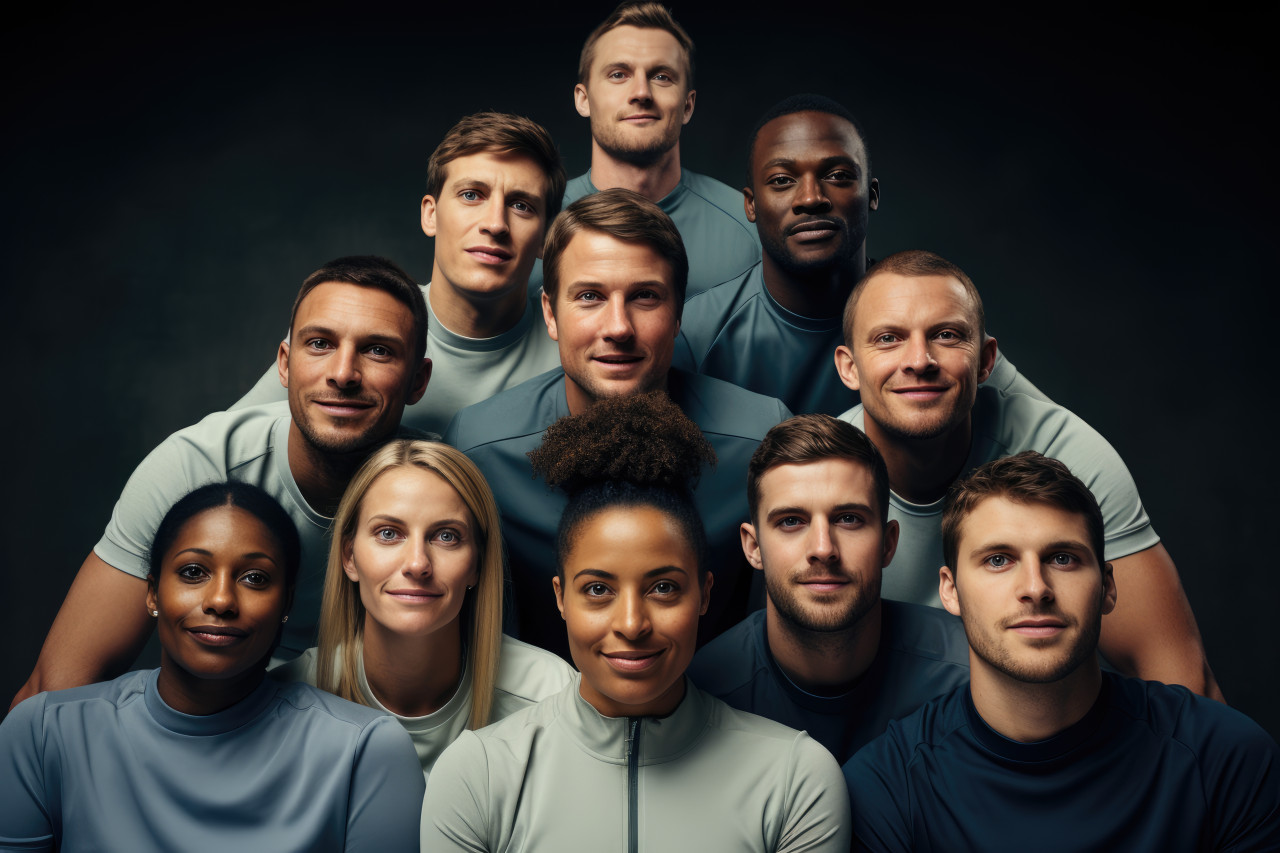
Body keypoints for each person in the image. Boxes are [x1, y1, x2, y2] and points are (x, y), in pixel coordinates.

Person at [422, 394, 849, 852]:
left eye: (663, 588)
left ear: (704, 594)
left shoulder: (796, 779)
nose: (631, 624)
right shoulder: (477, 774)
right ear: (560, 598)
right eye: (598, 590)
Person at [12, 256, 430, 709]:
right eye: (320, 343)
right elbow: (53, 691)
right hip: (216, 720)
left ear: (417, 382)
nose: (344, 373)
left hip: (368, 725)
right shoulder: (197, 467)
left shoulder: (440, 487)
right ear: (284, 366)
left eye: (378, 351)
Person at [843, 453, 1280, 852]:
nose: (1035, 588)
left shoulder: (1225, 759)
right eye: (998, 560)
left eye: (1063, 559)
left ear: (1108, 588)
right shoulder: (888, 786)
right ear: (951, 590)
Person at [834, 248, 1220, 697]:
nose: (919, 360)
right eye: (888, 339)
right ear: (849, 367)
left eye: (945, 335)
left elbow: (1182, 683)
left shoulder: (1065, 456)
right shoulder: (825, 480)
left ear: (985, 360)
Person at [446, 189, 788, 658]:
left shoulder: (759, 444)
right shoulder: (480, 451)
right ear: (550, 313)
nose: (618, 327)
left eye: (645, 297)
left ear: (678, 314)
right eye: (589, 296)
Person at [0, 483, 424, 851]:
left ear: (286, 604)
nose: (220, 600)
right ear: (151, 592)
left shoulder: (364, 750)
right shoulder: (42, 733)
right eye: (193, 572)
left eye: (255, 578)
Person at [676, 94, 1042, 415]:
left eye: (837, 175)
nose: (810, 198)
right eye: (782, 181)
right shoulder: (694, 334)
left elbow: (1042, 426)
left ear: (872, 194)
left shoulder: (930, 319)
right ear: (751, 205)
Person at [232, 112, 566, 435]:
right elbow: (225, 446)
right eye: (471, 195)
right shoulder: (354, 327)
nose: (495, 223)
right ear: (430, 215)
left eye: (521, 205)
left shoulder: (577, 342)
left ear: (546, 236)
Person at [271, 439, 573, 778]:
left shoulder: (551, 697)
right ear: (349, 557)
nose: (417, 564)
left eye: (446, 536)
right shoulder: (286, 701)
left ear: (477, 564)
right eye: (388, 533)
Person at [687, 414, 969, 762]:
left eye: (849, 519)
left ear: (888, 543)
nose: (823, 548)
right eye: (791, 521)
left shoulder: (968, 676)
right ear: (753, 547)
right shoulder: (700, 698)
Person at [528, 2, 759, 299]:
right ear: (583, 99)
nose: (641, 93)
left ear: (688, 105)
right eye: (618, 75)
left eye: (661, 77)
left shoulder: (749, 225)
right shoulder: (536, 225)